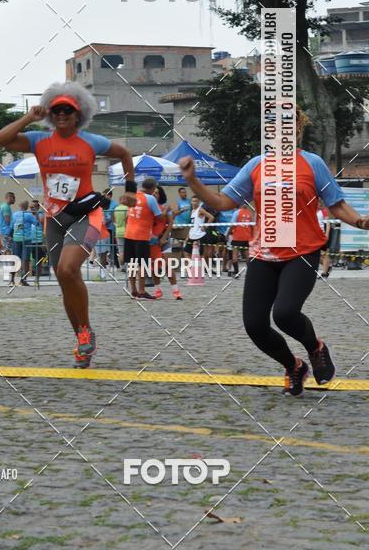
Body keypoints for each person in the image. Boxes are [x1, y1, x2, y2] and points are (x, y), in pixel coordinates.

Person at [179, 104, 369, 396]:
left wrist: (358, 220)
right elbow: (223, 203)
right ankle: (294, 366)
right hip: (263, 254)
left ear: (297, 130)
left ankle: (316, 349)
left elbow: (336, 203)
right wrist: (193, 181)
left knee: (285, 313)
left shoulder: (312, 163)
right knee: (254, 324)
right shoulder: (256, 165)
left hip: (302, 251)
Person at [0, 81, 135, 368]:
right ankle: (84, 337)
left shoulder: (91, 142)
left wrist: (130, 188)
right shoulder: (38, 140)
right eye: (56, 111)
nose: (61, 116)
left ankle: (85, 334)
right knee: (63, 279)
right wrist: (30, 117)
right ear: (49, 114)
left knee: (68, 269)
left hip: (85, 213)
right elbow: (0, 139)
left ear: (78, 114)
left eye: (67, 111)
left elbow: (124, 153)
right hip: (54, 218)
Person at [123, 177, 163, 300]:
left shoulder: (133, 196)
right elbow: (159, 216)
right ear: (152, 188)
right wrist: (168, 212)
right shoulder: (150, 198)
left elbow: (126, 216)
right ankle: (142, 291)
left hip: (129, 233)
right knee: (142, 264)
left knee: (131, 262)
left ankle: (133, 290)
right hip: (141, 235)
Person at [10, 201, 34, 286]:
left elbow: (11, 226)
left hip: (16, 238)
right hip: (26, 239)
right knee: (26, 260)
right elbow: (36, 223)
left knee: (15, 259)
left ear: (19, 206)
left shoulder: (14, 215)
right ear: (27, 207)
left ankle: (12, 280)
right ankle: (23, 280)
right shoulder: (28, 215)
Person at [230, 204, 254, 276]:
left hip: (237, 237)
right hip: (247, 238)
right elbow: (252, 226)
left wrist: (228, 233)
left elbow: (233, 224)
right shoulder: (250, 213)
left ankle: (236, 272)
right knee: (247, 256)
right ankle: (250, 272)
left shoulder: (237, 212)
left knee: (235, 255)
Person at [113, 197, 129, 266]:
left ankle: (122, 267)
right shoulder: (127, 209)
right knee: (128, 250)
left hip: (118, 231)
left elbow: (114, 220)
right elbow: (127, 220)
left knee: (121, 250)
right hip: (126, 231)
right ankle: (127, 266)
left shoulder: (116, 209)